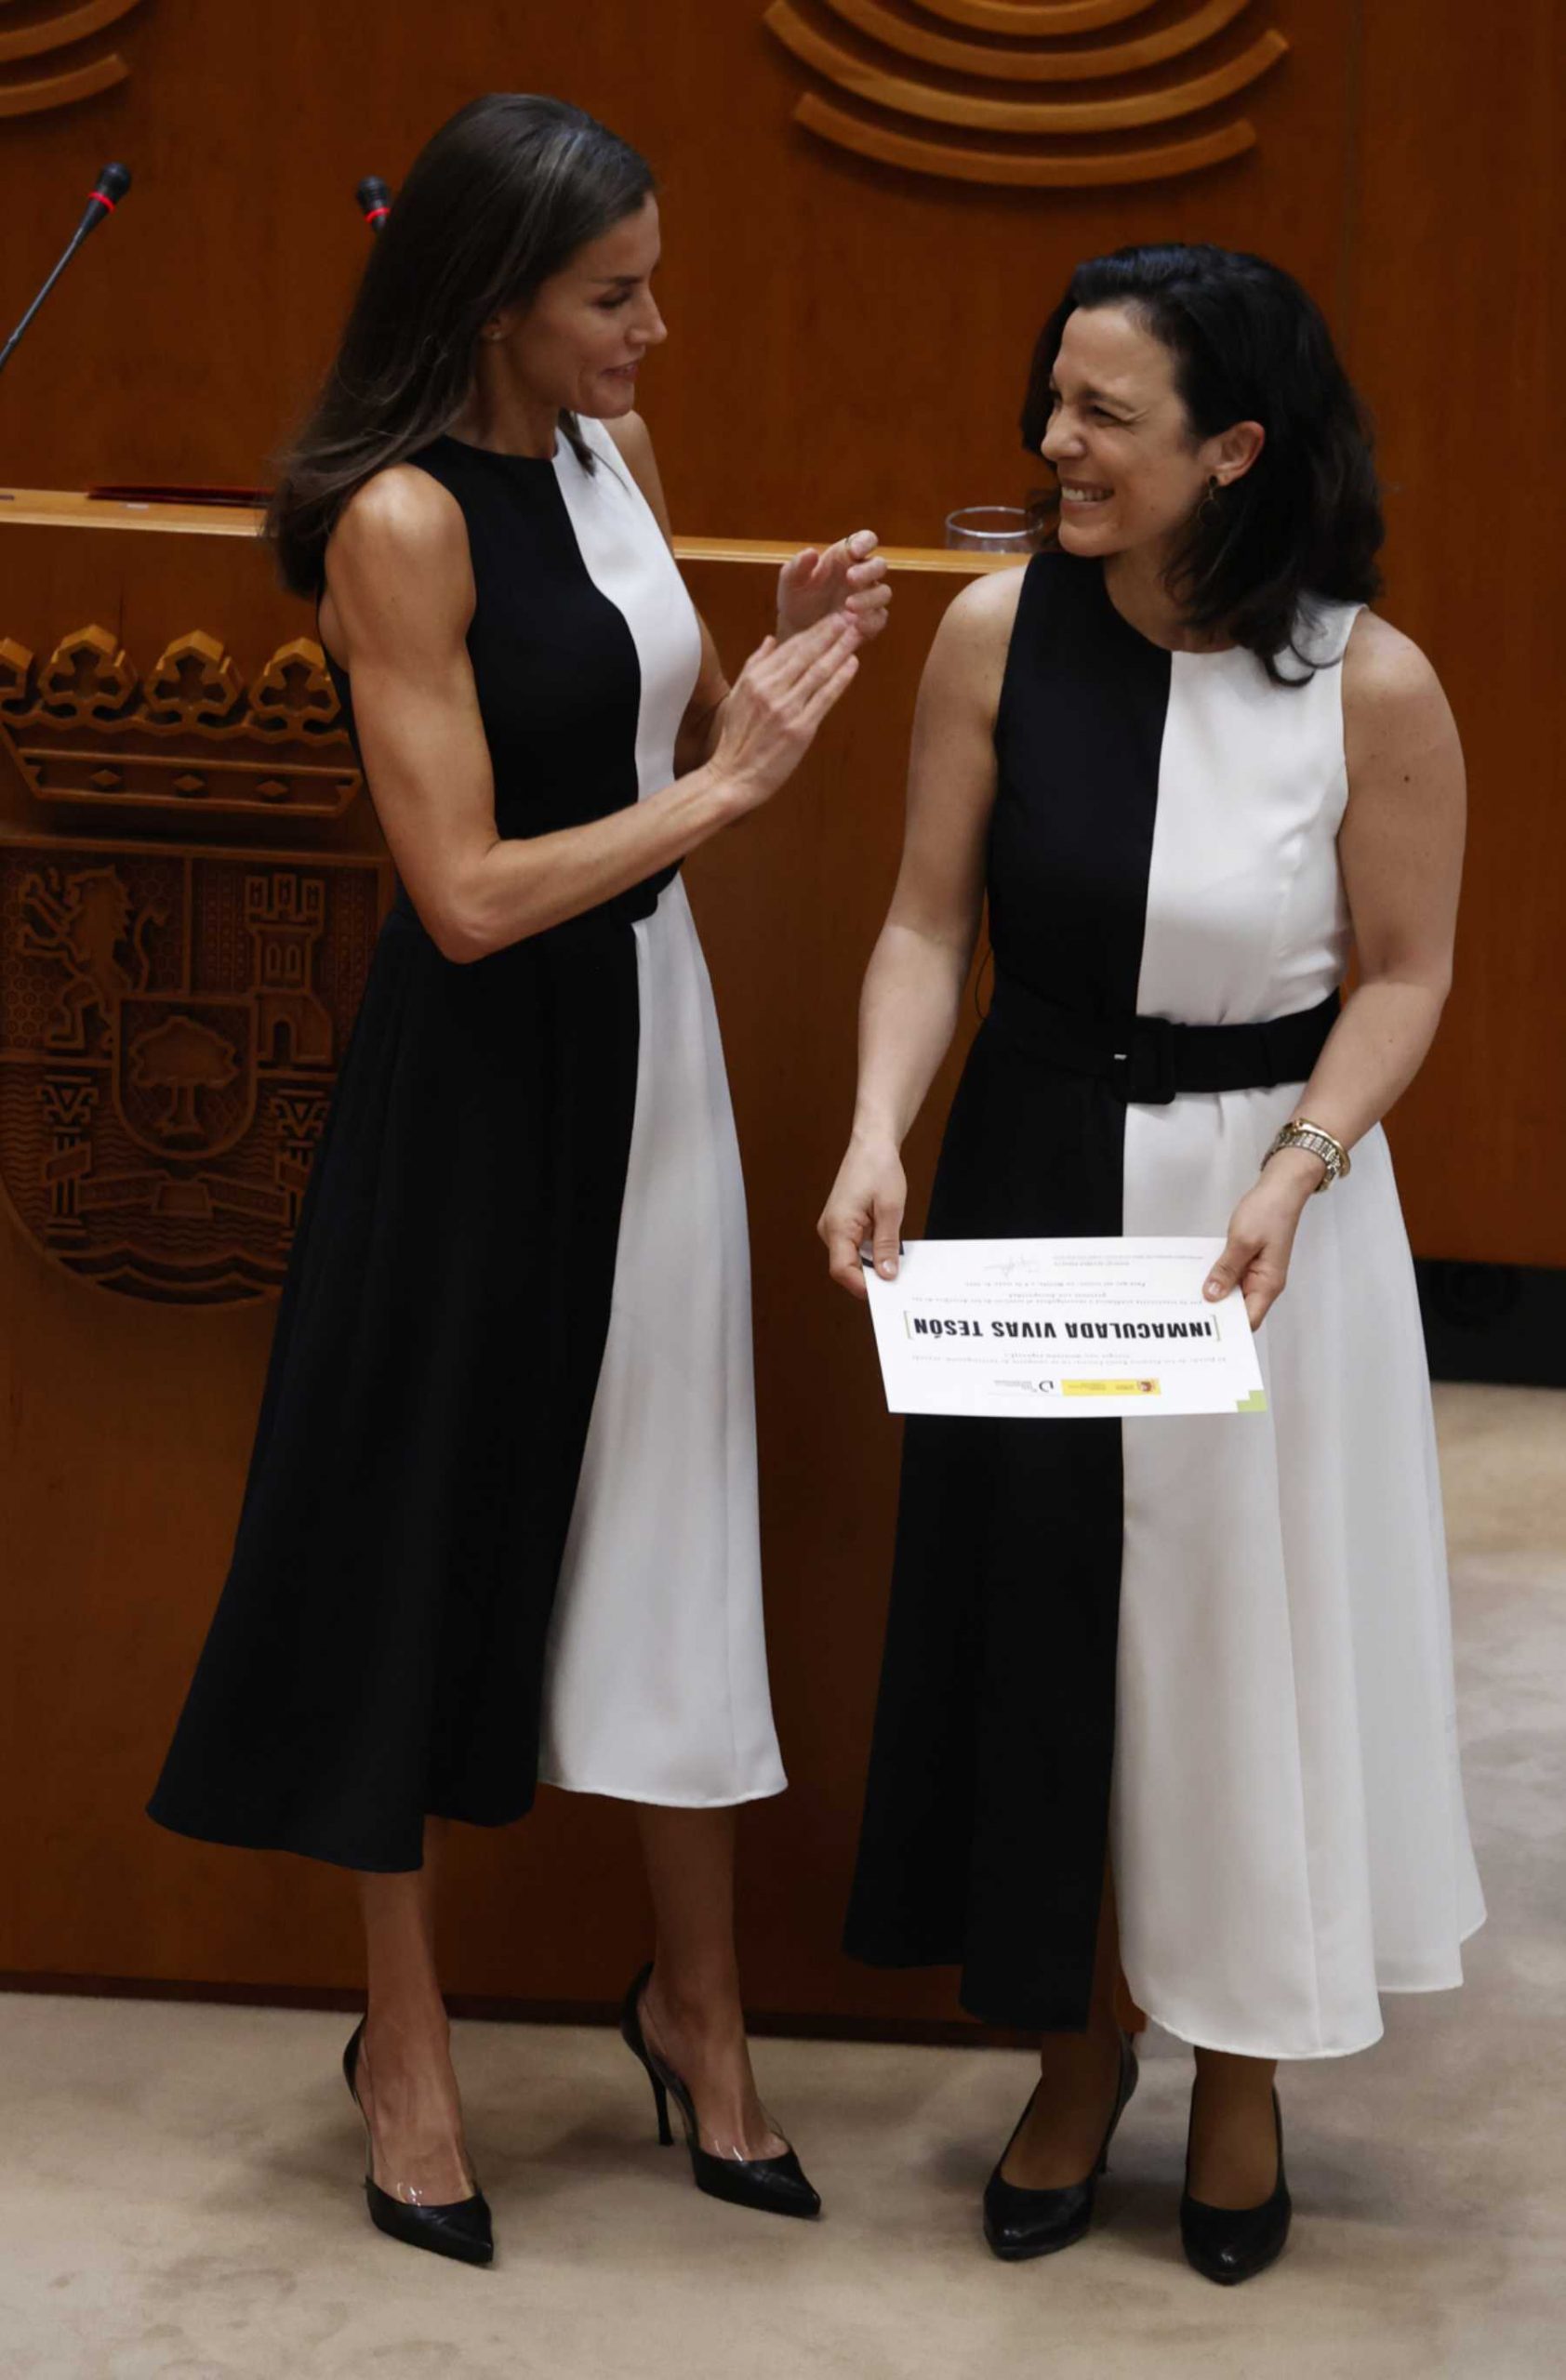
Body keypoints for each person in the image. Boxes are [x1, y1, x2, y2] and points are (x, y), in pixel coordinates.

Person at [148, 93, 889, 2266]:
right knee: (421, 1535)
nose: (655, 327)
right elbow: (463, 893)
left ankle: (702, 2012)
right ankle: (406, 2044)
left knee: (675, 1504)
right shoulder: (394, 518)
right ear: (495, 300)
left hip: (649, 1043)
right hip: (477, 1078)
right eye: (613, 292)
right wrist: (735, 781)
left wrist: (756, 657)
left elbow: (634, 736)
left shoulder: (609, 455)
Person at [818, 243, 1481, 2284]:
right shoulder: (993, 631)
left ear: (1233, 450)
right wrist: (874, 1125)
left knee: (1231, 1640)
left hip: (1251, 1216)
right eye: (1053, 400)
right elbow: (929, 923)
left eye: (1101, 414)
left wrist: (1296, 1163)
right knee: (1043, 1622)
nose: (1051, 444)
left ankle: (1243, 2064)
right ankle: (1068, 2042)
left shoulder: (1364, 678)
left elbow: (1403, 969)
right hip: (1030, 1170)